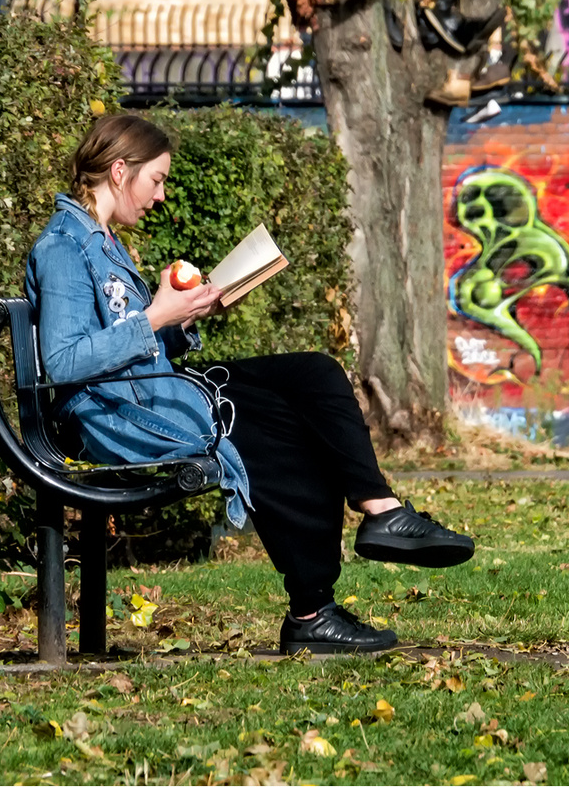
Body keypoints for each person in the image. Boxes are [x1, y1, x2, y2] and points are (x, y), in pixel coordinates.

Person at [26, 113, 474, 653]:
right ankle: (312, 612)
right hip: (119, 417)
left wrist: (184, 316)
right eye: (157, 179)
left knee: (315, 376)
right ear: (120, 171)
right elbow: (64, 362)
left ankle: (381, 509)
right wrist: (158, 317)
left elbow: (125, 344)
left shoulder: (102, 242)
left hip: (148, 393)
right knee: (276, 420)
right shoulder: (64, 248)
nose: (161, 195)